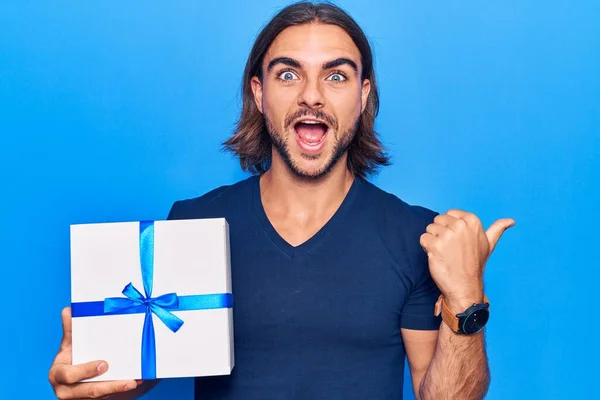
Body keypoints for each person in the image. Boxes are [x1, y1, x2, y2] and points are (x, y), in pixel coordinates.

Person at [48, 2, 514, 399]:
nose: (311, 96)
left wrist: (466, 294)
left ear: (363, 94)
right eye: (288, 74)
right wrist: (90, 379)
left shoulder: (415, 236)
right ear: (259, 93)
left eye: (336, 76)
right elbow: (136, 375)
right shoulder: (194, 224)